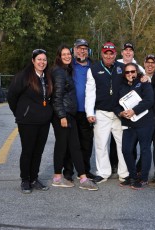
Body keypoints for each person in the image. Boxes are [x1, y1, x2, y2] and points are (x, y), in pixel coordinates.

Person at [50, 45, 98, 191]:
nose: (66, 56)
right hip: (63, 115)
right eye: (63, 54)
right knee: (62, 146)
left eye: (68, 54)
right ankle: (58, 177)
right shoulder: (59, 72)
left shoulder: (66, 70)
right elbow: (57, 96)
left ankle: (83, 177)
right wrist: (62, 116)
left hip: (69, 114)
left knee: (74, 146)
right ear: (59, 56)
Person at [7, 49, 53, 194]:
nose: (42, 62)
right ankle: (25, 180)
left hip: (43, 121)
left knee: (38, 152)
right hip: (27, 122)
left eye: (44, 60)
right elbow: (11, 96)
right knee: (28, 151)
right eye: (39, 59)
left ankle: (34, 178)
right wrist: (21, 112)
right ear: (33, 61)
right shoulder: (23, 76)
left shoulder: (47, 77)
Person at [85, 41, 129, 184]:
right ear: (102, 54)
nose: (109, 56)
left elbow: (134, 76)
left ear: (115, 54)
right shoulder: (94, 68)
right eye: (106, 53)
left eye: (111, 53)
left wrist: (143, 77)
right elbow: (90, 92)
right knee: (101, 144)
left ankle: (124, 173)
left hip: (119, 113)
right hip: (101, 112)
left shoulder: (122, 68)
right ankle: (103, 172)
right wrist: (89, 112)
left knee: (122, 144)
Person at [62, 38, 97, 182]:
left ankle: (85, 171)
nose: (82, 50)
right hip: (71, 110)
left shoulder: (94, 66)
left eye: (84, 48)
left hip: (87, 112)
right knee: (70, 143)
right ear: (74, 49)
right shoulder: (68, 65)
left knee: (86, 143)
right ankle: (68, 171)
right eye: (79, 48)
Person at [117, 63, 155, 190]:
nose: (130, 74)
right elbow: (115, 104)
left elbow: (149, 100)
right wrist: (120, 113)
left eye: (132, 71)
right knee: (126, 150)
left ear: (137, 72)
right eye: (127, 72)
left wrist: (134, 110)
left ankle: (143, 178)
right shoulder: (121, 85)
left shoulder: (144, 82)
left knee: (144, 150)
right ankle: (133, 176)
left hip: (145, 122)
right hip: (129, 123)